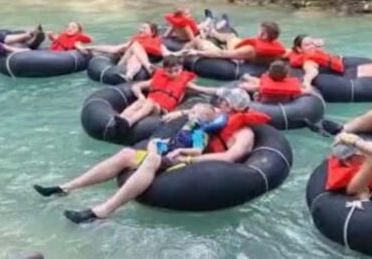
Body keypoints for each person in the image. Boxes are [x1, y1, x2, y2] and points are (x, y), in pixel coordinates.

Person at [33, 88, 269, 223]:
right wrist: (183, 114)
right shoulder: (209, 117)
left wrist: (189, 158)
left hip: (195, 164)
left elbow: (229, 158)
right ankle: (65, 187)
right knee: (126, 154)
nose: (218, 105)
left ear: (234, 108)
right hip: (174, 151)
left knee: (153, 159)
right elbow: (199, 115)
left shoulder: (242, 131)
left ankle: (103, 210)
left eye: (223, 103)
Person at [112, 55, 207, 132]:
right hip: (150, 103)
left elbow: (200, 89)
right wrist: (140, 96)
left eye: (176, 71)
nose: (174, 74)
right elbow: (135, 86)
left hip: (162, 109)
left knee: (150, 102)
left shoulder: (185, 82)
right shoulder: (157, 78)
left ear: (181, 69)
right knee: (140, 102)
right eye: (170, 71)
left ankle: (130, 122)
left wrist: (217, 91)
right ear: (164, 70)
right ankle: (121, 118)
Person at [81, 22, 171, 80]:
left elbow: (167, 53)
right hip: (123, 63)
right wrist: (91, 47)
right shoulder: (134, 41)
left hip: (136, 63)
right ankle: (148, 67)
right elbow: (114, 49)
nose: (140, 30)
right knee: (135, 45)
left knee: (136, 56)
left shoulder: (158, 42)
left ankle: (129, 76)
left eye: (144, 28)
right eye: (140, 28)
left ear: (152, 32)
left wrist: (182, 52)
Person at [187, 21, 287, 64]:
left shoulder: (251, 49)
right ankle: (212, 33)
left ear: (264, 35)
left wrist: (197, 53)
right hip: (242, 54)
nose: (258, 32)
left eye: (259, 30)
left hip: (236, 58)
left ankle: (177, 53)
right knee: (231, 37)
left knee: (197, 41)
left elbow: (222, 54)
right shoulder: (275, 47)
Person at [234, 60, 314, 103]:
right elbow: (308, 91)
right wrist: (306, 83)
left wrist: (240, 85)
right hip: (284, 101)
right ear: (286, 76)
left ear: (268, 73)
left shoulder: (262, 86)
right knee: (260, 83)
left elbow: (244, 87)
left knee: (258, 84)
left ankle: (248, 77)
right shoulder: (293, 89)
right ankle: (249, 77)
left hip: (263, 102)